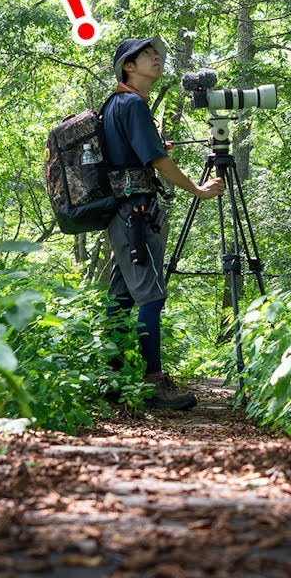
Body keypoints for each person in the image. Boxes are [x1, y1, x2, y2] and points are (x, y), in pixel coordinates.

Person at [104, 36, 225, 410]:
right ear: (128, 66)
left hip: (122, 214)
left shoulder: (116, 104)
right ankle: (153, 383)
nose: (155, 58)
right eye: (145, 55)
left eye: (155, 53)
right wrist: (198, 189)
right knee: (152, 296)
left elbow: (137, 154)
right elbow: (157, 162)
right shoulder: (132, 105)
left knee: (121, 298)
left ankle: (112, 378)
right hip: (136, 216)